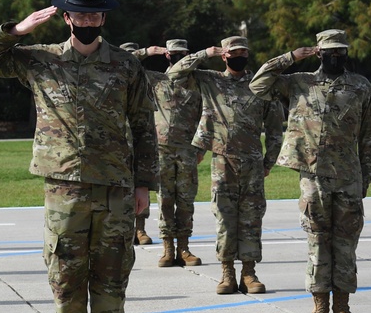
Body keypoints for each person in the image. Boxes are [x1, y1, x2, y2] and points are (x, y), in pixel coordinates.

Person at [0, 0, 158, 313]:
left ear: (103, 18)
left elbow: (144, 126)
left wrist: (145, 185)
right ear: (67, 17)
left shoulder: (126, 65)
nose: (89, 19)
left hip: (115, 187)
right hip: (64, 189)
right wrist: (16, 31)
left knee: (111, 281)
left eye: (96, 13)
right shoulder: (40, 60)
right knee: (66, 281)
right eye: (81, 12)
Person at [250, 30, 371, 313]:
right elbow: (258, 85)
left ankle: (344, 310)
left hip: (348, 176)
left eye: (341, 51)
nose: (336, 55)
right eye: (330, 51)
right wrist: (291, 57)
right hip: (312, 175)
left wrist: (367, 175)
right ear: (318, 52)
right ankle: (320, 308)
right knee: (317, 241)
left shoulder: (360, 86)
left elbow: (370, 134)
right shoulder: (298, 82)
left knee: (346, 243)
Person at [169, 36, 283, 294]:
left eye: (243, 51)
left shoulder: (260, 85)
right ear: (224, 56)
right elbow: (174, 74)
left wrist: (269, 161)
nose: (239, 56)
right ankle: (227, 272)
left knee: (251, 219)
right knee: (224, 218)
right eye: (234, 53)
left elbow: (276, 127)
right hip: (222, 161)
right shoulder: (211, 80)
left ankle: (250, 273)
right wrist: (205, 52)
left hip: (253, 162)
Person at [132, 40, 204, 267]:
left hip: (187, 149)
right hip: (160, 149)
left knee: (185, 200)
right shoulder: (155, 79)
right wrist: (146, 51)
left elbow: (207, 114)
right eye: (173, 54)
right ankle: (167, 249)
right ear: (166, 56)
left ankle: (184, 248)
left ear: (188, 54)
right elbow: (126, 64)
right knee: (164, 199)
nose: (177, 57)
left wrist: (201, 146)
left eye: (181, 54)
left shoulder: (198, 82)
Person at [119, 42, 154, 247]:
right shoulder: (111, 76)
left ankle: (140, 228)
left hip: (137, 141)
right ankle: (127, 229)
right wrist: (145, 52)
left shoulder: (144, 79)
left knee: (140, 186)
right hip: (118, 146)